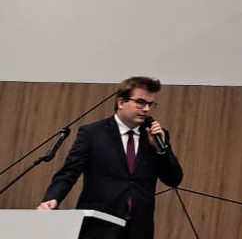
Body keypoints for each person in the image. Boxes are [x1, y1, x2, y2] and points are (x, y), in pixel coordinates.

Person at [38, 76, 184, 239]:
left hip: (138, 229)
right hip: (99, 227)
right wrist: (52, 198)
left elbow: (174, 179)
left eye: (150, 104)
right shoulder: (92, 133)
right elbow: (69, 173)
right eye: (141, 102)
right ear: (121, 102)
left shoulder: (155, 136)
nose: (146, 109)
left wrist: (160, 150)